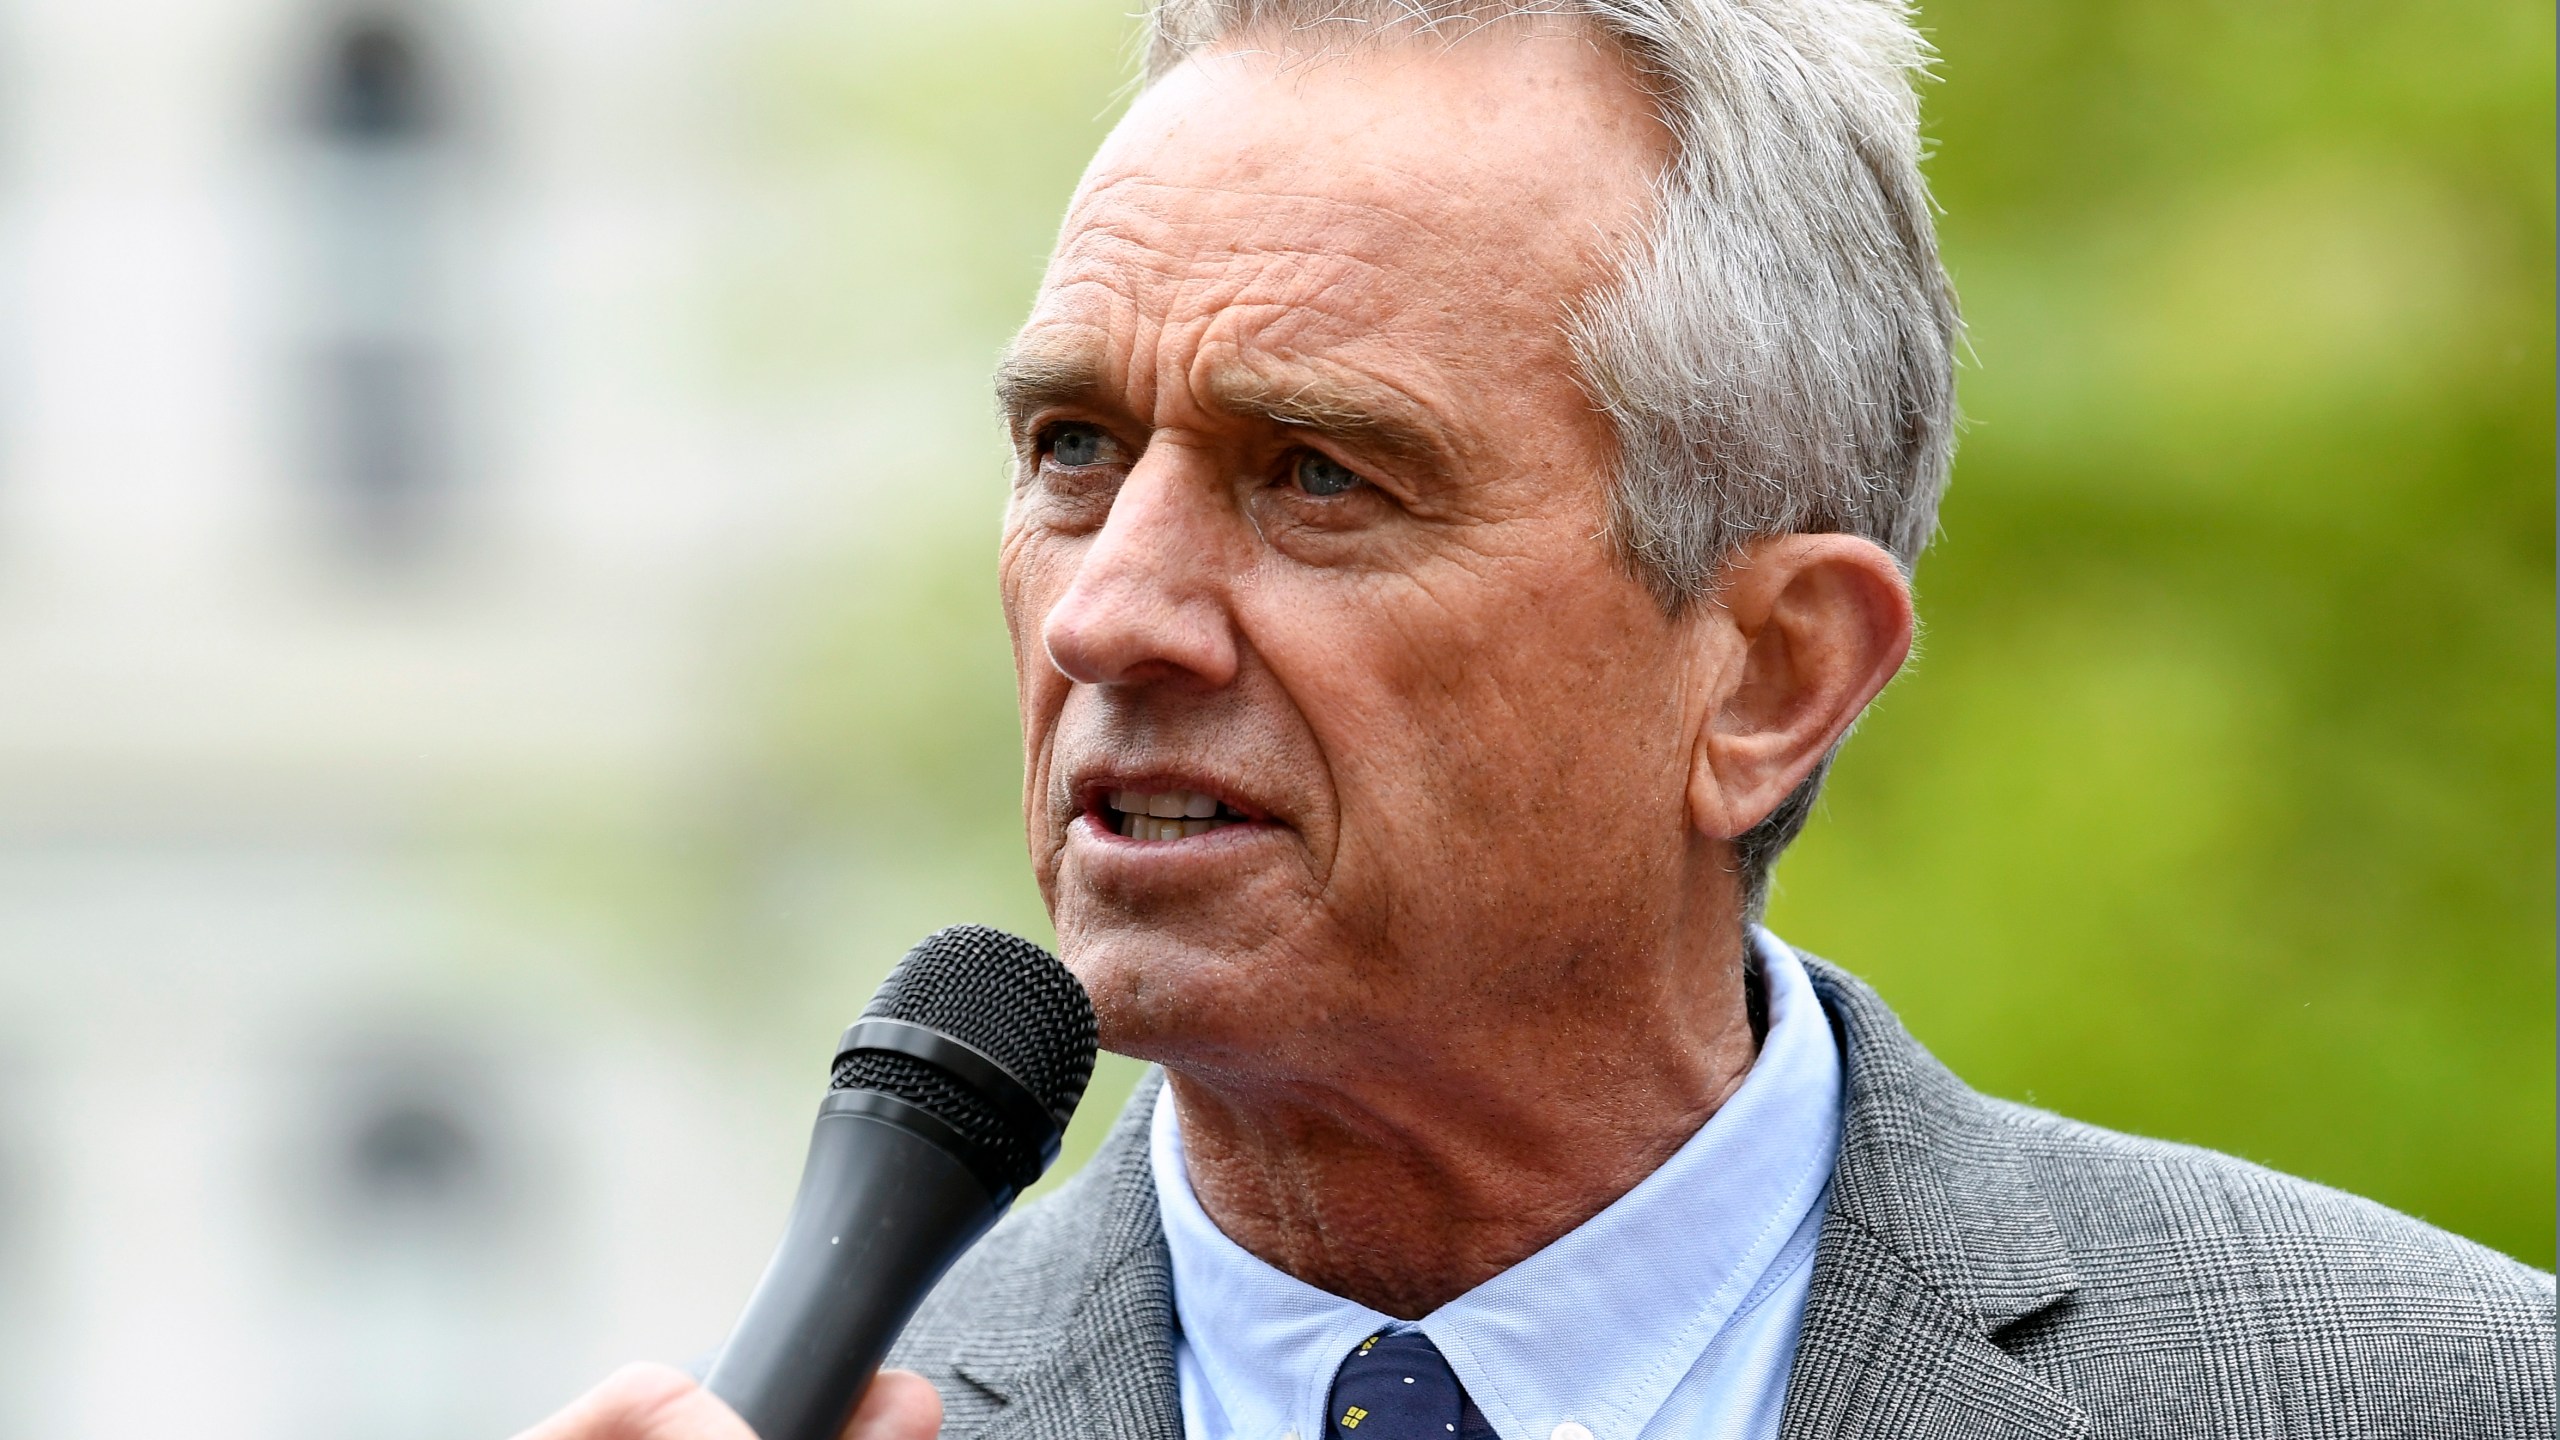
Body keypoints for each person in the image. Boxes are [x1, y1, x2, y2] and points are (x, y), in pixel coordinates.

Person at [520, 4, 2555, 1439]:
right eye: (1071, 449)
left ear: (1769, 675)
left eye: (1319, 475)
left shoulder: (2421, 1396)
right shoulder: (828, 1418)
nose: (1113, 610)